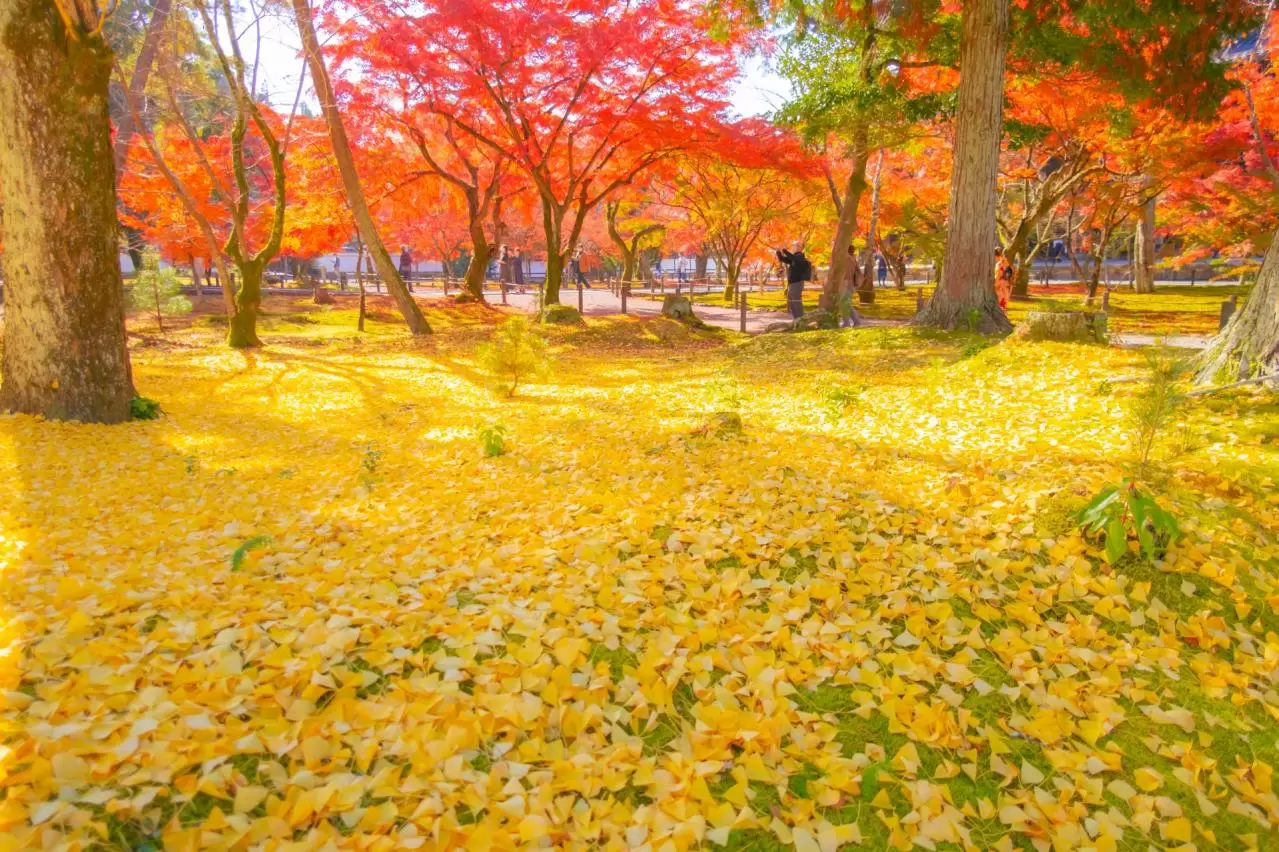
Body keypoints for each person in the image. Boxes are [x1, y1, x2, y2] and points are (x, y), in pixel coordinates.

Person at [776, 242, 812, 321]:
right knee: (792, 303)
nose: (794, 246)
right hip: (792, 284)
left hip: (797, 283)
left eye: (796, 245)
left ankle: (801, 320)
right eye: (794, 245)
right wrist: (778, 251)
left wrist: (784, 250)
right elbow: (783, 259)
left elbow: (792, 257)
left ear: (801, 248)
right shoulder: (794, 258)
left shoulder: (800, 257)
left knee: (796, 302)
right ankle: (796, 320)